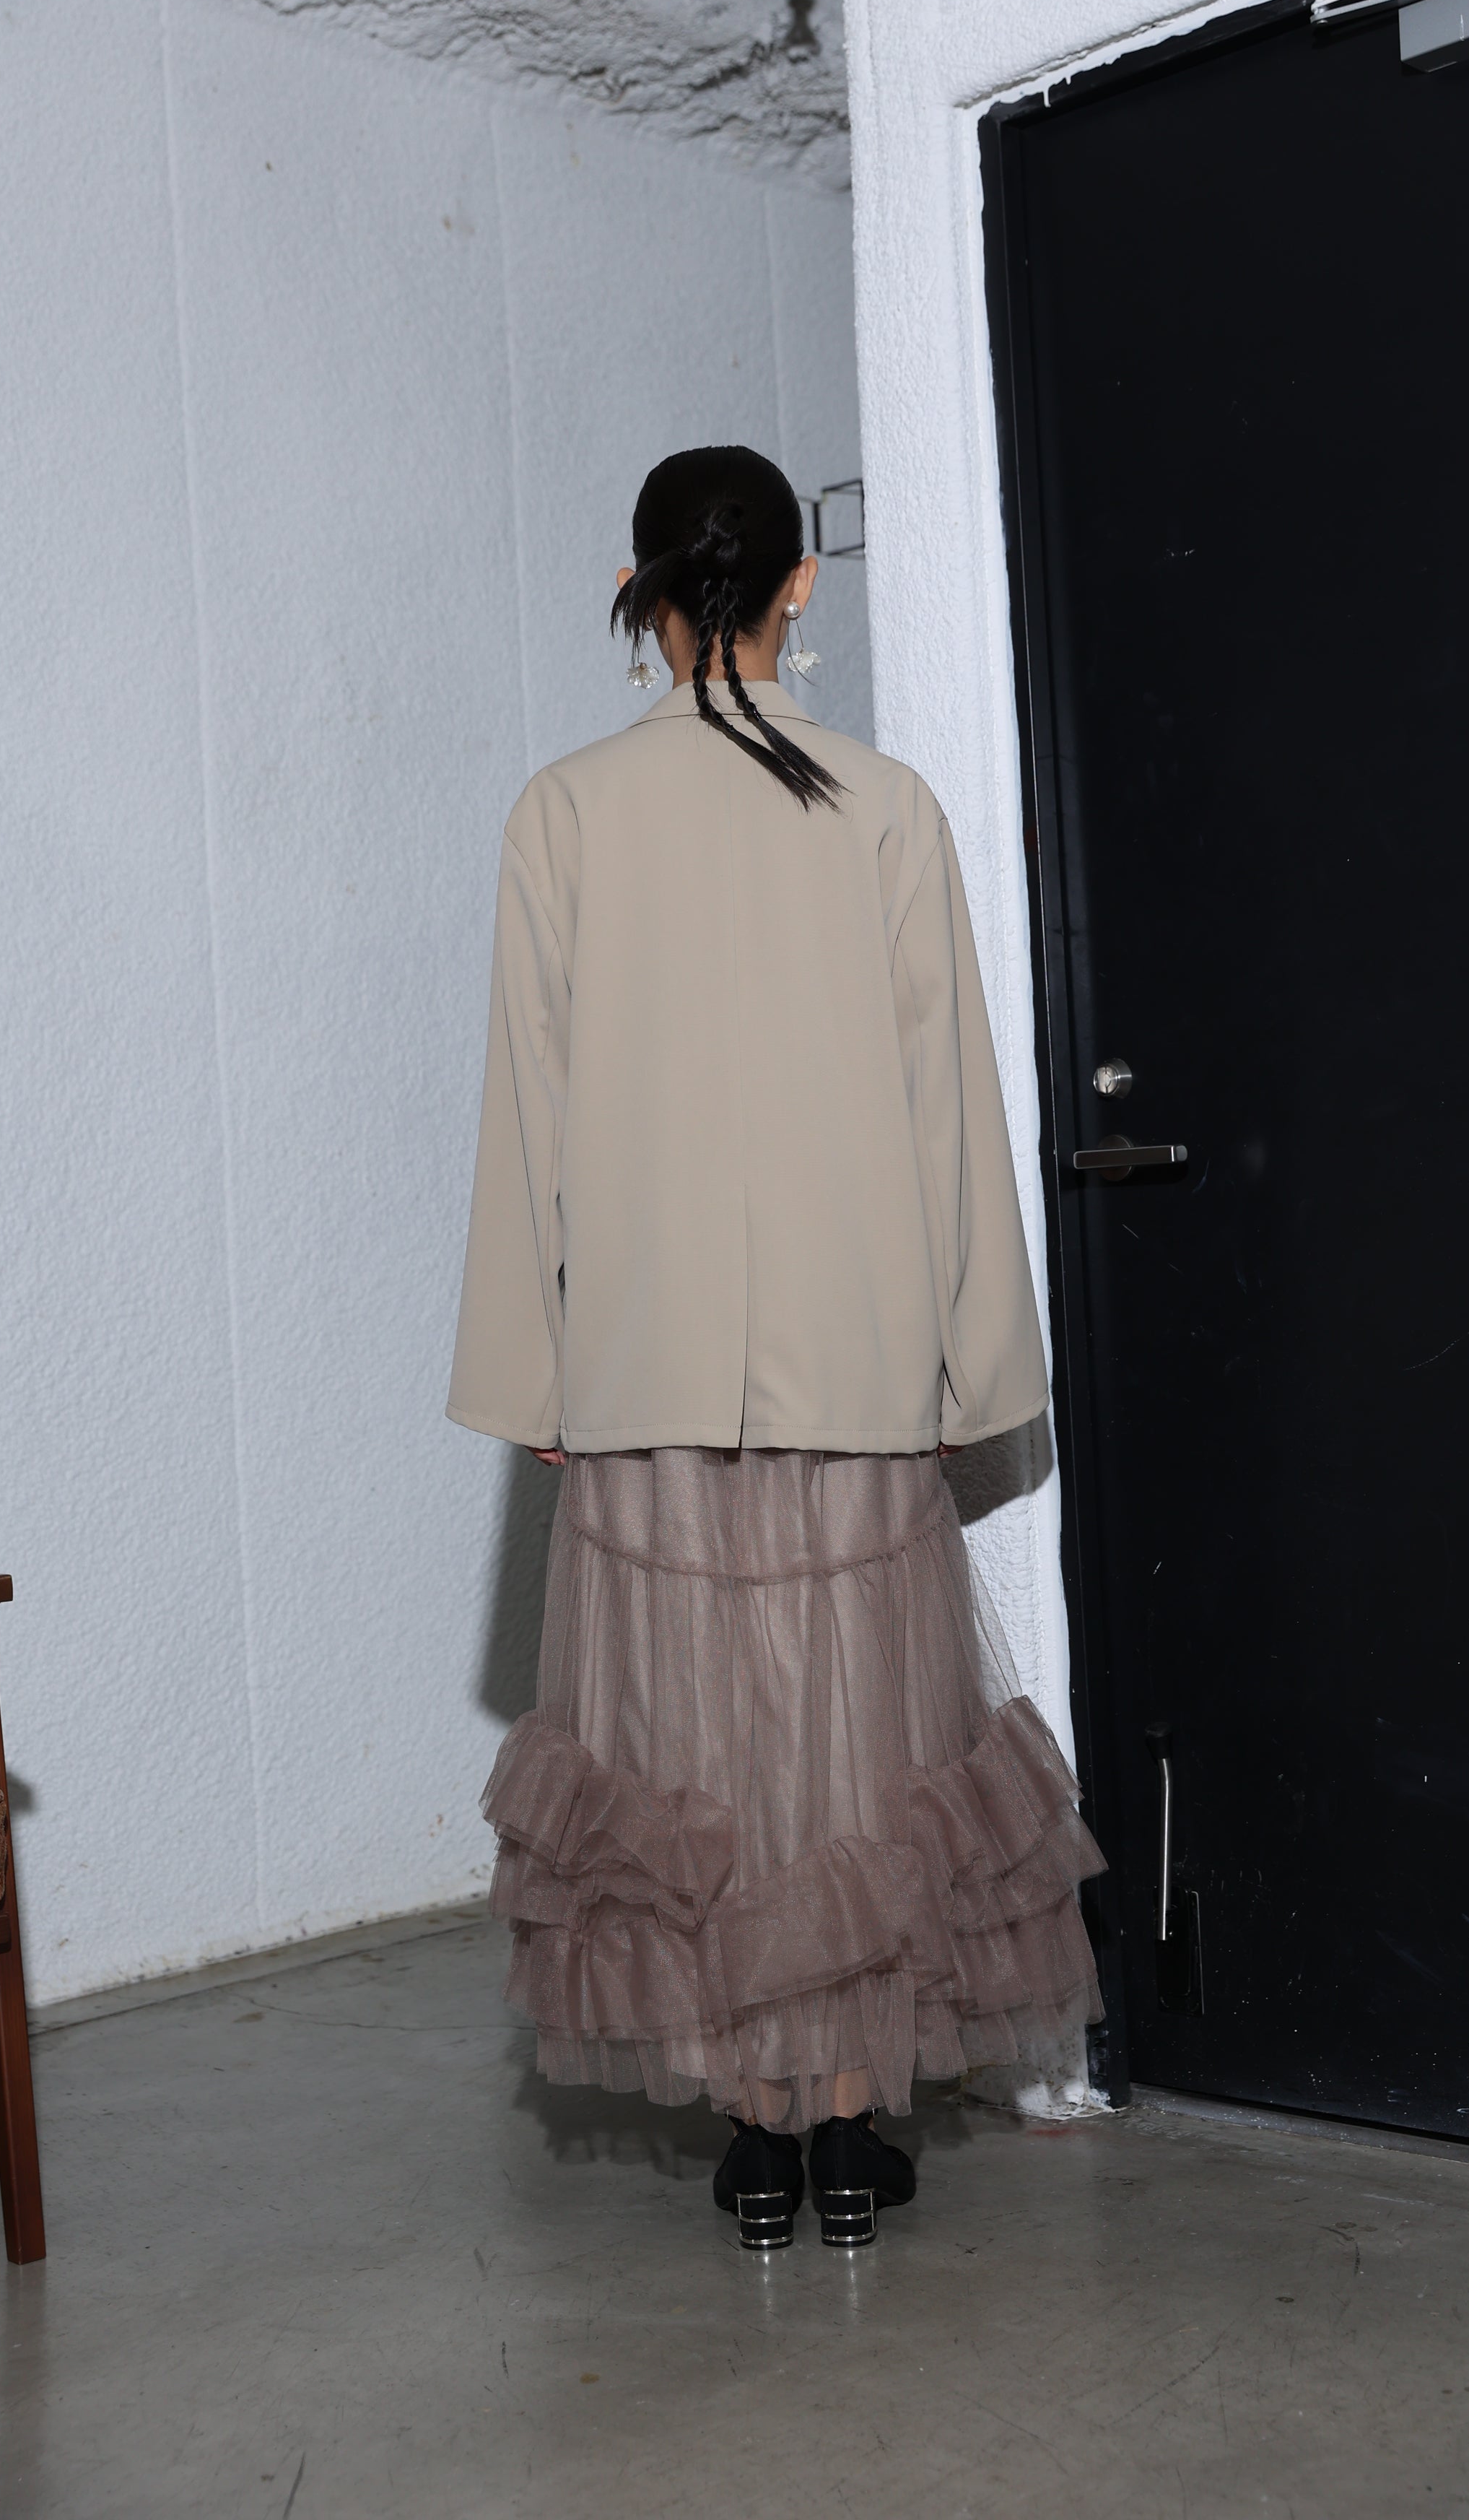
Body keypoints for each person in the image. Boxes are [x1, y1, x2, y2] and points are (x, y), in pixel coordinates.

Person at [448, 446, 1104, 2251]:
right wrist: (976, 1360)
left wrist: (534, 1366)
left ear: (640, 587)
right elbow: (947, 1108)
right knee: (855, 1738)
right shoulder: (884, 807)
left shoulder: (564, 811)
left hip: (643, 1351)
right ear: (800, 585)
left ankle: (752, 2129)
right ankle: (845, 2118)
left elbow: (528, 1111)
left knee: (684, 1744)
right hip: (858, 1346)